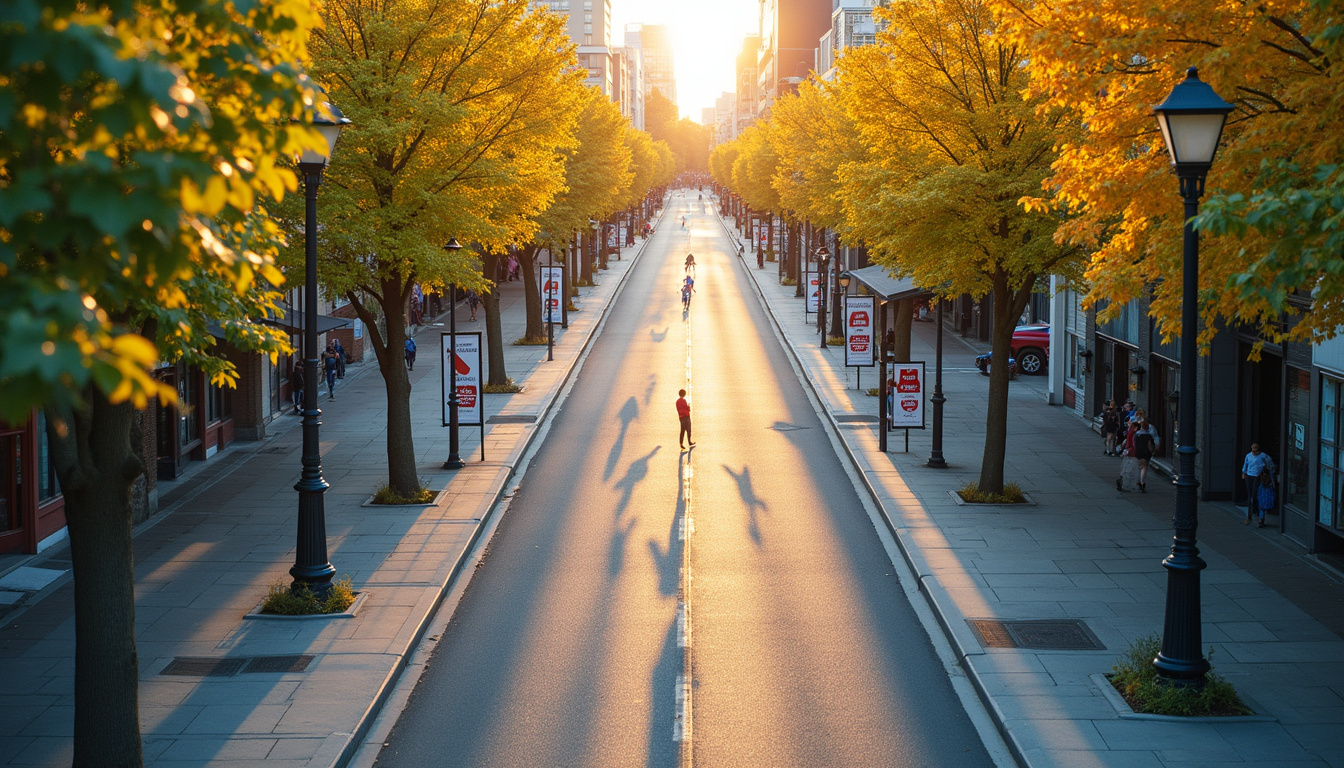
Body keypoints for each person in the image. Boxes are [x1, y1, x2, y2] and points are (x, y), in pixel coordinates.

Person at [1241, 442, 1276, 527]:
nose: (1254, 450)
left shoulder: (1263, 456)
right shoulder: (1248, 455)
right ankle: (1250, 514)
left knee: (1256, 494)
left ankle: (1257, 513)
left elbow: (1271, 465)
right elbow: (1246, 464)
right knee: (1250, 495)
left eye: (1255, 448)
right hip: (1250, 475)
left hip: (1258, 477)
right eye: (1253, 448)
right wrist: (1244, 472)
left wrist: (1268, 472)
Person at [1133, 419, 1160, 492]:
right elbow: (1149, 445)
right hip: (1145, 452)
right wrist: (1152, 452)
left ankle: (1138, 481)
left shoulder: (1136, 434)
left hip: (1138, 452)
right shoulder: (1148, 436)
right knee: (1145, 467)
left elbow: (1134, 444)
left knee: (1140, 466)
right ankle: (1142, 482)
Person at [1116, 420, 1140, 491]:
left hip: (1128, 451)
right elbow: (1134, 444)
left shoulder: (1129, 433)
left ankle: (1122, 481)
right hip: (1132, 452)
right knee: (1131, 469)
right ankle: (1125, 484)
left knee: (1125, 468)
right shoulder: (1134, 434)